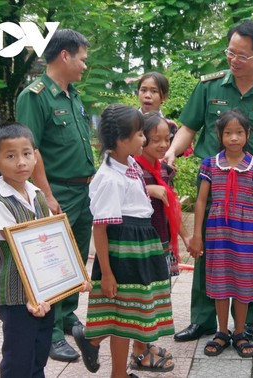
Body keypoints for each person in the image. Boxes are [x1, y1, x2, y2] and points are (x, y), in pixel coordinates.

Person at [164, 19, 253, 342]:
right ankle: (204, 319)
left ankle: (245, 321)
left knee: (247, 250)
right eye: (230, 53)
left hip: (251, 188)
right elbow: (189, 128)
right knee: (204, 246)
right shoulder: (209, 86)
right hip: (213, 182)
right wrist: (171, 152)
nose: (234, 60)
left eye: (242, 56)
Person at [72, 104, 175, 377]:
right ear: (121, 140)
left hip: (139, 246)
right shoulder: (109, 178)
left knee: (127, 318)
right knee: (125, 317)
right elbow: (100, 228)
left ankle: (106, 358)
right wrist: (106, 273)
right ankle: (100, 351)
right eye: (140, 134)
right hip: (123, 252)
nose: (144, 139)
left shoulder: (127, 163)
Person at [0, 122, 89, 377]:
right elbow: (23, 251)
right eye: (11, 156)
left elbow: (52, 244)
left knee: (39, 351)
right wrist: (34, 297)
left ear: (35, 156)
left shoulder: (38, 194)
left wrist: (74, 278)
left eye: (27, 154)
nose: (21, 162)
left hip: (46, 293)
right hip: (19, 297)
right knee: (18, 357)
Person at [16, 28, 95, 362]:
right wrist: (46, 195)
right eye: (82, 58)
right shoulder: (35, 96)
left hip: (83, 189)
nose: (84, 66)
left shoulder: (72, 94)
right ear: (65, 55)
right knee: (52, 264)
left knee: (75, 260)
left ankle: (65, 316)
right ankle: (49, 333)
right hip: (57, 189)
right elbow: (30, 149)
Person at [188, 109, 253, 358]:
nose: (234, 138)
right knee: (220, 282)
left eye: (239, 133)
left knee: (244, 284)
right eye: (228, 133)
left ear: (248, 134)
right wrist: (197, 236)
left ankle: (240, 332)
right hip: (217, 232)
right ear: (220, 135)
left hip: (245, 233)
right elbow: (201, 202)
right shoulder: (209, 165)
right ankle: (222, 332)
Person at [130, 112, 190, 370]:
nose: (164, 145)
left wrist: (185, 236)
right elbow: (121, 199)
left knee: (157, 296)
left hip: (161, 242)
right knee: (146, 298)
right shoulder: (133, 169)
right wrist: (146, 189)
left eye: (167, 139)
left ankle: (145, 344)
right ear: (141, 138)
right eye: (156, 140)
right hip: (143, 246)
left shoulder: (163, 168)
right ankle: (138, 351)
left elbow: (172, 207)